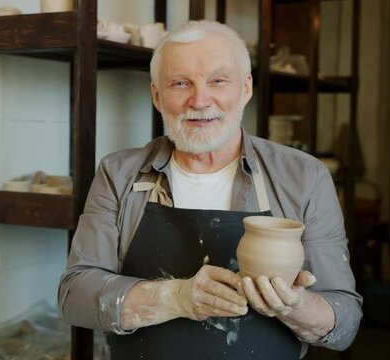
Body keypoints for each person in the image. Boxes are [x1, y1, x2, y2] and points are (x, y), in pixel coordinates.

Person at [58, 20, 362, 359]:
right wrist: (174, 298)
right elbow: (75, 296)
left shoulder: (303, 178)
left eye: (218, 80)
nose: (200, 101)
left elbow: (344, 322)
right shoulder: (120, 174)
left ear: (246, 89)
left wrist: (294, 306)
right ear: (157, 95)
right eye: (180, 83)